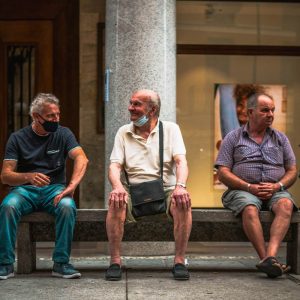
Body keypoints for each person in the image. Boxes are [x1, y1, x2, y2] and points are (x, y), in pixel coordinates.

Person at [105, 89, 192, 281]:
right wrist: (117, 187)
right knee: (115, 201)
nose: (130, 108)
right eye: (131, 103)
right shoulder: (123, 132)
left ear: (152, 110)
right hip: (132, 189)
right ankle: (115, 261)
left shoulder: (170, 129)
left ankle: (179, 261)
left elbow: (181, 162)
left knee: (183, 201)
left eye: (137, 104)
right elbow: (114, 165)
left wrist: (180, 186)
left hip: (165, 188)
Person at [0, 93, 89, 280]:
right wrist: (28, 177)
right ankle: (5, 264)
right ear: (35, 116)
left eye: (57, 115)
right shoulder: (17, 138)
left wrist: (71, 187)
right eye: (50, 116)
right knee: (8, 206)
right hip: (24, 191)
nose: (55, 119)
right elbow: (5, 176)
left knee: (67, 206)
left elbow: (81, 158)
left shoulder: (63, 134)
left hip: (54, 189)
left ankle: (61, 263)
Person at [215, 93, 298, 278]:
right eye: (265, 110)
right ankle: (265, 258)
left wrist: (278, 186)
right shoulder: (233, 137)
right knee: (250, 207)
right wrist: (248, 187)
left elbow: (292, 170)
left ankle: (270, 257)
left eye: (272, 110)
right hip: (243, 190)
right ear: (250, 112)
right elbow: (223, 171)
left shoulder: (281, 139)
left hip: (275, 189)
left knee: (286, 204)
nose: (270, 114)